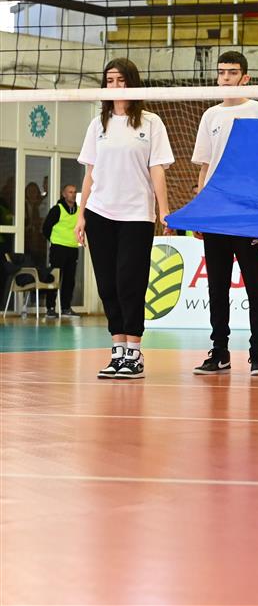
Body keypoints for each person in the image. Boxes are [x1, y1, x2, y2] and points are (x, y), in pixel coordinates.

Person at [75, 58, 173, 380]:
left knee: (130, 282)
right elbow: (90, 173)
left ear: (132, 83)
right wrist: (81, 214)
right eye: (110, 80)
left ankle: (134, 352)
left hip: (136, 215)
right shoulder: (97, 125)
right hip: (99, 213)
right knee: (107, 285)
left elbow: (157, 170)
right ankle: (117, 350)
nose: (115, 86)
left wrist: (164, 210)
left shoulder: (151, 123)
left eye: (121, 80)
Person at [191, 51, 258, 375]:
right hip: (216, 212)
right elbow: (204, 168)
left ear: (245, 77)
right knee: (217, 286)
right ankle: (220, 351)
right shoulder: (210, 115)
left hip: (248, 211)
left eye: (232, 72)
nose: (225, 77)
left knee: (255, 284)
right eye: (221, 72)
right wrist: (200, 211)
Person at [42, 183, 81, 319]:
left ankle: (66, 308)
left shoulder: (79, 210)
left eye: (75, 192)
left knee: (70, 279)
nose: (73, 194)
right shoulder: (57, 209)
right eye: (70, 192)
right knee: (55, 277)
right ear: (64, 194)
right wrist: (54, 240)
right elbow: (46, 228)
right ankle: (50, 308)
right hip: (58, 248)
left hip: (73, 248)